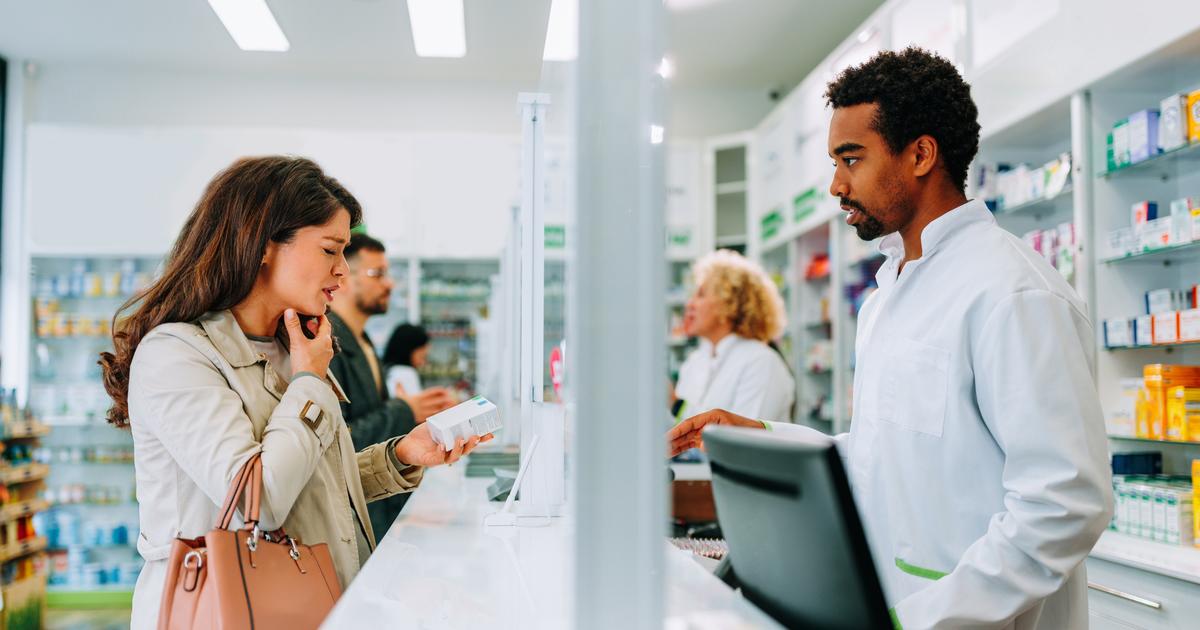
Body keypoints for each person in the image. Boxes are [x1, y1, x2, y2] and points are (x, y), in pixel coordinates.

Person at [669, 48, 1112, 629]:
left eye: (851, 159)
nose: (835, 184)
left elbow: (1062, 505)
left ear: (921, 154)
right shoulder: (888, 295)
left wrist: (916, 620)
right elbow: (882, 458)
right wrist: (764, 435)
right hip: (886, 606)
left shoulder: (1012, 295)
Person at [101, 156, 491, 628]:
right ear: (264, 245)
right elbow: (258, 501)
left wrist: (400, 455)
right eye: (331, 250)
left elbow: (311, 484)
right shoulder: (177, 355)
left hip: (313, 606)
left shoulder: (294, 347)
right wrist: (308, 382)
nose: (343, 272)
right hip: (221, 612)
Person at [327, 233, 455, 537]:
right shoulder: (327, 346)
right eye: (377, 274)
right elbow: (338, 443)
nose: (389, 284)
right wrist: (403, 410)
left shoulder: (365, 342)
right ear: (343, 276)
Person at [672, 249, 794, 423]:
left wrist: (675, 404)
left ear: (731, 303)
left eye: (701, 294)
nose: (690, 304)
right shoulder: (694, 364)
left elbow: (744, 441)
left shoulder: (761, 362)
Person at [383, 323, 431, 398]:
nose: (423, 363)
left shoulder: (389, 370)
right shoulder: (406, 373)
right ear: (410, 350)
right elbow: (418, 407)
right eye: (423, 356)